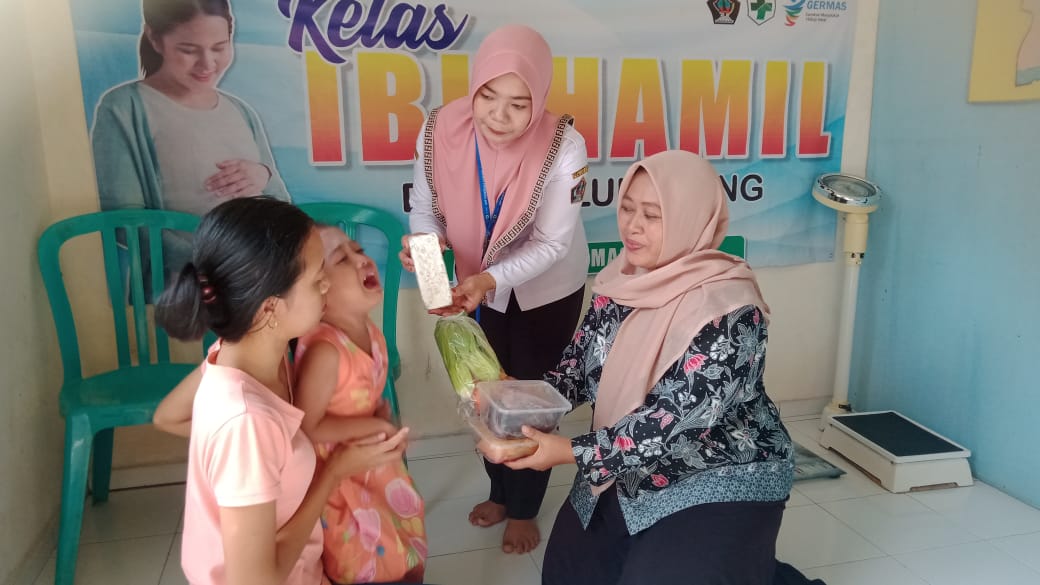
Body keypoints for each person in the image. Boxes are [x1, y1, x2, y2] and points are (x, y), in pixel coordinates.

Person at [496, 150, 795, 585]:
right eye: (628, 208)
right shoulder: (620, 283)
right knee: (568, 572)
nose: (632, 226)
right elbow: (576, 370)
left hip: (718, 468)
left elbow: (673, 423)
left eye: (653, 215)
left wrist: (567, 452)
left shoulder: (729, 308)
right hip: (624, 462)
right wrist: (520, 399)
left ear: (691, 218)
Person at [400, 24, 590, 555]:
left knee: (528, 399)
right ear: (474, 86)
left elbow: (552, 243)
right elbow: (424, 207)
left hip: (544, 291)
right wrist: (427, 248)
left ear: (540, 99)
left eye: (519, 104)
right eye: (488, 96)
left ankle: (524, 508)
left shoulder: (564, 146)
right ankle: (499, 493)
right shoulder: (440, 129)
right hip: (472, 283)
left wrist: (489, 279)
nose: (499, 116)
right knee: (482, 392)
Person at [154, 197, 407, 585]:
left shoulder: (244, 355)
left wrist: (265, 460)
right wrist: (332, 471)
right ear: (270, 308)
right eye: (317, 279)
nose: (327, 284)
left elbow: (167, 417)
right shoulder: (246, 424)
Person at [91, 0, 290, 276]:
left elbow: (283, 206)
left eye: (219, 48)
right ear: (155, 38)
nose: (207, 63)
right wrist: (216, 263)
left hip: (261, 278)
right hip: (187, 284)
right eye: (188, 50)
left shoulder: (241, 111)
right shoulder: (124, 108)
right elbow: (126, 223)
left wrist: (263, 174)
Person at [292, 226, 427, 584]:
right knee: (364, 558)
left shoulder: (370, 331)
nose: (361, 260)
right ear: (318, 289)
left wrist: (381, 417)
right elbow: (307, 427)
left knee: (401, 538)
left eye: (359, 250)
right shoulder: (325, 352)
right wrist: (377, 427)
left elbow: (363, 394)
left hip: (372, 464)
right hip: (341, 476)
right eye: (341, 259)